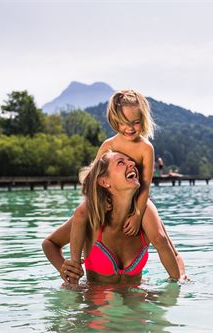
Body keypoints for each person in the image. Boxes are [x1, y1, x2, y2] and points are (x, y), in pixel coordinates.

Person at [68, 90, 182, 283]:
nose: (130, 128)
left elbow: (145, 185)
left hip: (140, 199)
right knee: (80, 214)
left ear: (143, 120)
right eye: (124, 123)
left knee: (161, 238)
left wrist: (137, 214)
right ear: (114, 119)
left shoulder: (146, 148)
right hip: (111, 197)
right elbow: (96, 176)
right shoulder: (108, 145)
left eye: (135, 123)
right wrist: (100, 203)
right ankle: (74, 266)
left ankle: (176, 280)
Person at [42, 151, 187, 284]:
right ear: (105, 182)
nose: (132, 164)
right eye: (121, 162)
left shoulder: (145, 213)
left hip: (137, 298)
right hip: (95, 301)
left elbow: (175, 255)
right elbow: (49, 243)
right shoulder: (91, 216)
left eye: (130, 161)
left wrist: (180, 280)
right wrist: (65, 269)